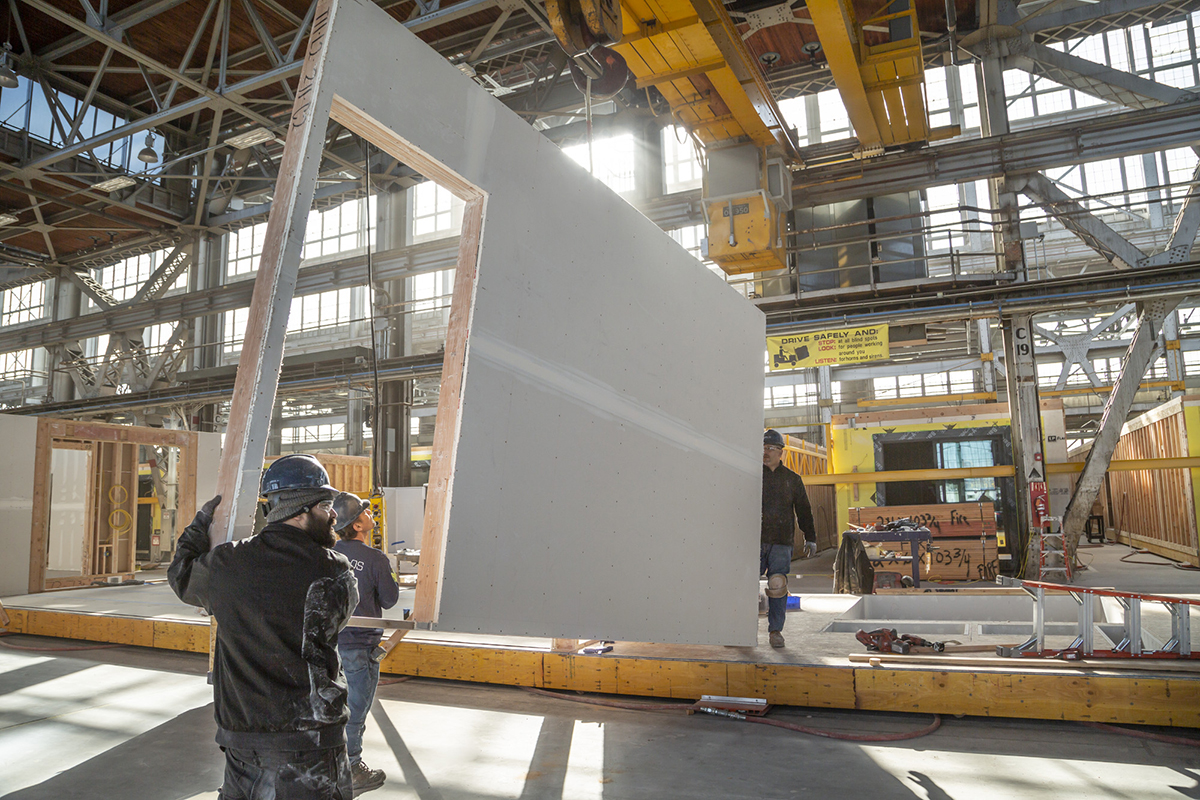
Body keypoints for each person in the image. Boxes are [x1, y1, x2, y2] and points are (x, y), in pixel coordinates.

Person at [168, 454, 358, 800]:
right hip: (310, 742)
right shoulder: (333, 570)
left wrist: (200, 526)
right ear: (300, 509)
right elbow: (336, 622)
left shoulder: (227, 564)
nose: (334, 515)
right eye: (326, 505)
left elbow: (180, 575)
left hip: (243, 743)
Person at [330, 491, 400, 795]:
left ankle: (331, 766)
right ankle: (352, 769)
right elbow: (390, 599)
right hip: (361, 647)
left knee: (332, 707)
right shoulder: (375, 559)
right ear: (357, 525)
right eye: (365, 513)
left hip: (330, 646)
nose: (371, 515)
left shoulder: (327, 555)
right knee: (356, 711)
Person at [761, 429, 816, 649]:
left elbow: (804, 510)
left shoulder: (792, 480)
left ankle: (775, 631)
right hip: (754, 540)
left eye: (770, 449)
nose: (765, 452)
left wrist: (810, 537)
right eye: (763, 448)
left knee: (777, 584)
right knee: (744, 586)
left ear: (780, 452)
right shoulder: (752, 477)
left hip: (782, 541)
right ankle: (739, 630)